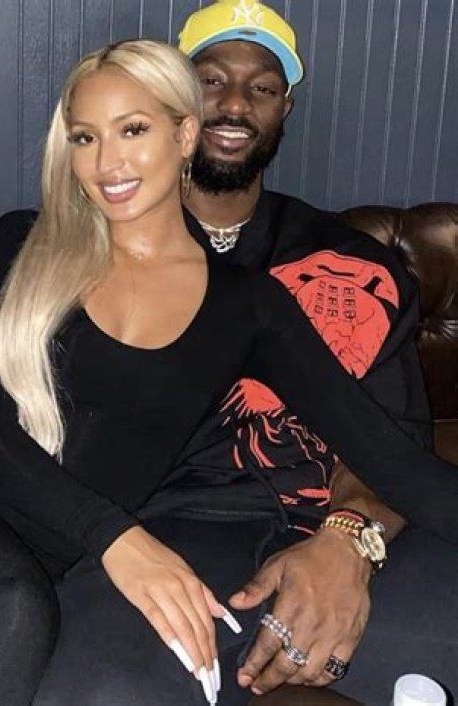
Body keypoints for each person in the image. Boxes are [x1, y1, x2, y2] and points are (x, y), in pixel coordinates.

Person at [0, 38, 458, 706]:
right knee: (7, 615)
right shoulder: (24, 245)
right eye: (85, 137)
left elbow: (395, 462)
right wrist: (121, 542)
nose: (107, 163)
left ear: (184, 134)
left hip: (38, 570)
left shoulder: (248, 307)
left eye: (132, 130)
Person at [36, 2, 458, 704]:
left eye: (261, 87)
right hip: (171, 539)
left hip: (342, 528)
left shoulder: (352, 265)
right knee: (91, 691)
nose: (235, 104)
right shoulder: (91, 253)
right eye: (211, 80)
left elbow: (396, 445)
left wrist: (347, 542)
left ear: (284, 108)